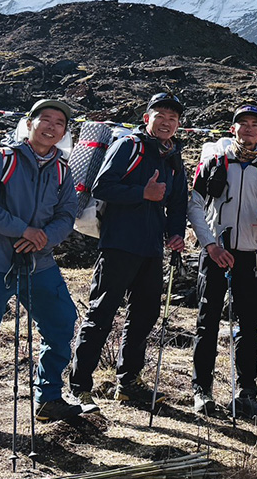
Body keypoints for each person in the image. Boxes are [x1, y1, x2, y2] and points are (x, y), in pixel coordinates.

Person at [0, 99, 81, 440]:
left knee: (61, 323)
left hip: (39, 261)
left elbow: (68, 215)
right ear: (30, 123)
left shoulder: (62, 169)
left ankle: (49, 398)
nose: (52, 126)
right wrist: (23, 230)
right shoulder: (3, 158)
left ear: (65, 131)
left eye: (59, 122)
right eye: (46, 119)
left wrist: (42, 238)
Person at [68, 92, 188, 413]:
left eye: (173, 118)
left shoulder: (173, 158)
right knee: (102, 313)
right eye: (160, 115)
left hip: (151, 249)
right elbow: (102, 187)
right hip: (119, 243)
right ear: (146, 118)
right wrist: (143, 193)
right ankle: (79, 386)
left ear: (178, 125)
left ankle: (128, 383)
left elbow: (178, 204)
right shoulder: (129, 146)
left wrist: (176, 234)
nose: (166, 122)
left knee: (144, 317)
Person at [188, 104, 257, 423]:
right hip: (216, 253)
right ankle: (201, 390)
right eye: (242, 124)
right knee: (208, 323)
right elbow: (194, 205)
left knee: (250, 328)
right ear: (233, 129)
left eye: (254, 125)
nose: (248, 129)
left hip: (249, 256)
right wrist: (210, 245)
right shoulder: (214, 162)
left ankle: (247, 395)